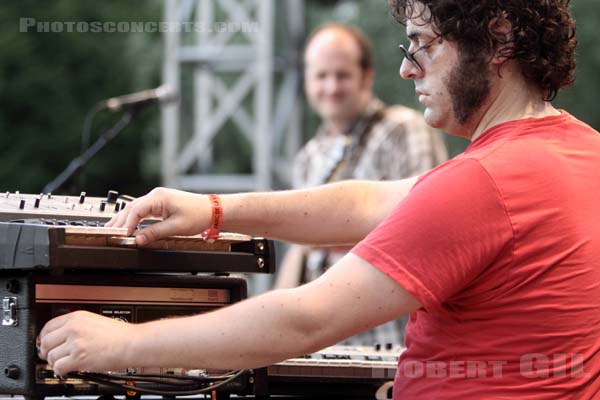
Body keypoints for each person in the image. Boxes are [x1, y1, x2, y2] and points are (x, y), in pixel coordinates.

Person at [39, 0, 600, 398]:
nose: (407, 67)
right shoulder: (581, 152)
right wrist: (216, 210)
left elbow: (307, 320)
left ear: (499, 39)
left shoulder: (483, 181)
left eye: (424, 44)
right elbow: (371, 203)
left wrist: (120, 343)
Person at [275, 22, 447, 346]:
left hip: (392, 340)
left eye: (342, 75)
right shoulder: (308, 158)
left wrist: (328, 232)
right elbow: (300, 252)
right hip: (325, 341)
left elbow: (425, 232)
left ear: (366, 77)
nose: (331, 86)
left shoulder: (403, 129)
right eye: (321, 76)